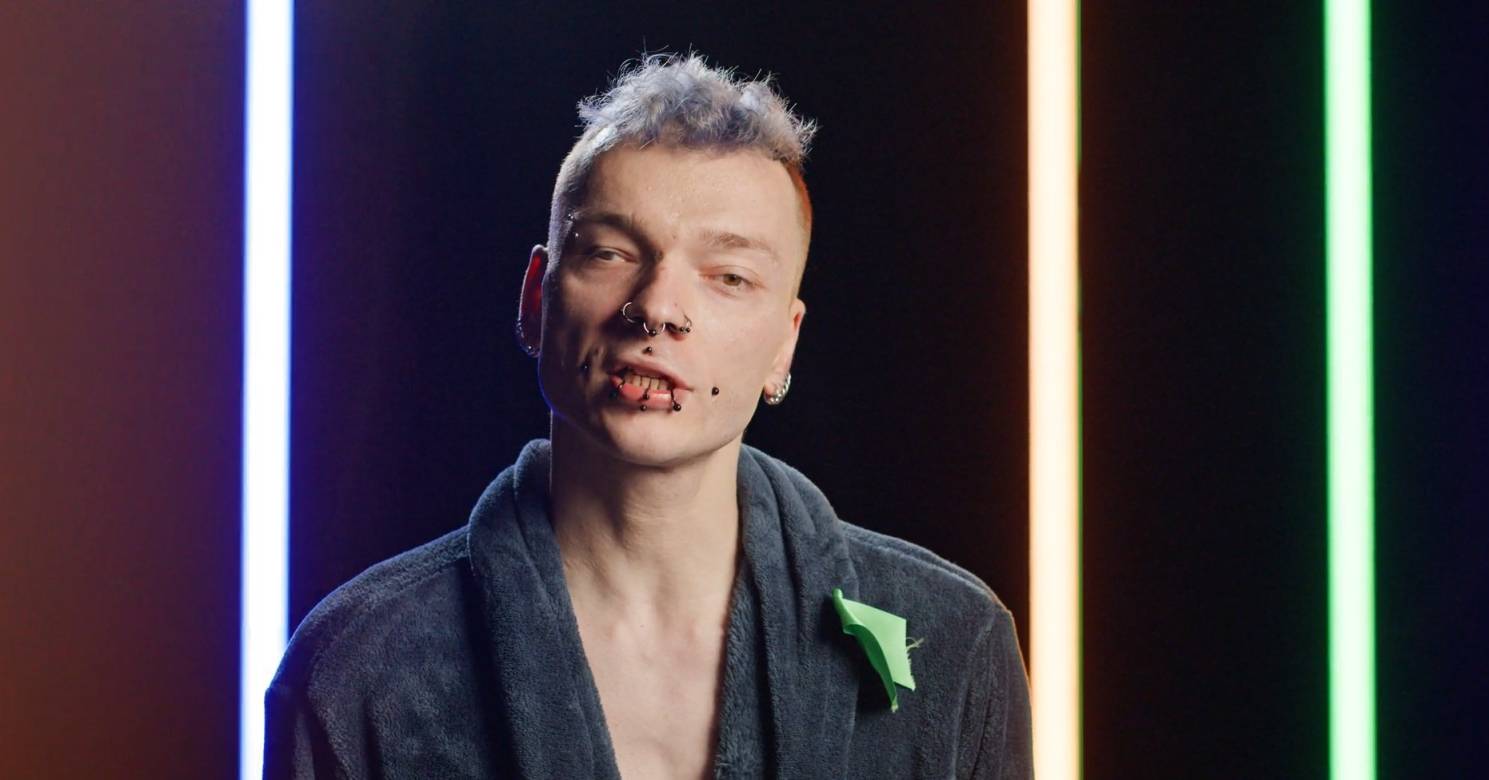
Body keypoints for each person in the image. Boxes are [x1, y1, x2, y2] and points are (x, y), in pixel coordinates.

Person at [264, 53, 1033, 779]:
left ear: (784, 345)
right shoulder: (360, 666)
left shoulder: (954, 641)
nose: (659, 307)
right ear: (535, 299)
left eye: (729, 275)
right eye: (610, 253)